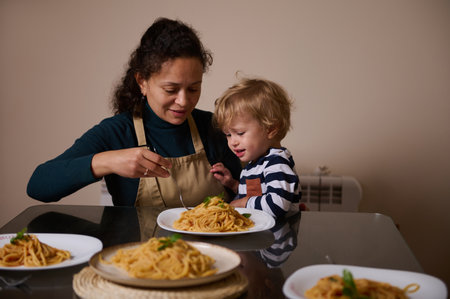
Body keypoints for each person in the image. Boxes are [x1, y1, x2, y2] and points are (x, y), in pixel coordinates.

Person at [27, 18, 242, 207]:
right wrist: (107, 161)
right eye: (171, 89)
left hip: (214, 251)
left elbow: (255, 185)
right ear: (142, 82)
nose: (184, 101)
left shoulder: (215, 127)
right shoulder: (118, 132)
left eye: (194, 88)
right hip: (140, 252)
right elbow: (38, 185)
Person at [210, 76, 301, 218]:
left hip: (277, 237)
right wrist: (233, 184)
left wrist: (241, 203)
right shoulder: (255, 163)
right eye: (228, 135)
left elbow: (277, 205)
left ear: (270, 129)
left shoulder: (276, 163)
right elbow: (256, 193)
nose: (232, 142)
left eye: (240, 133)